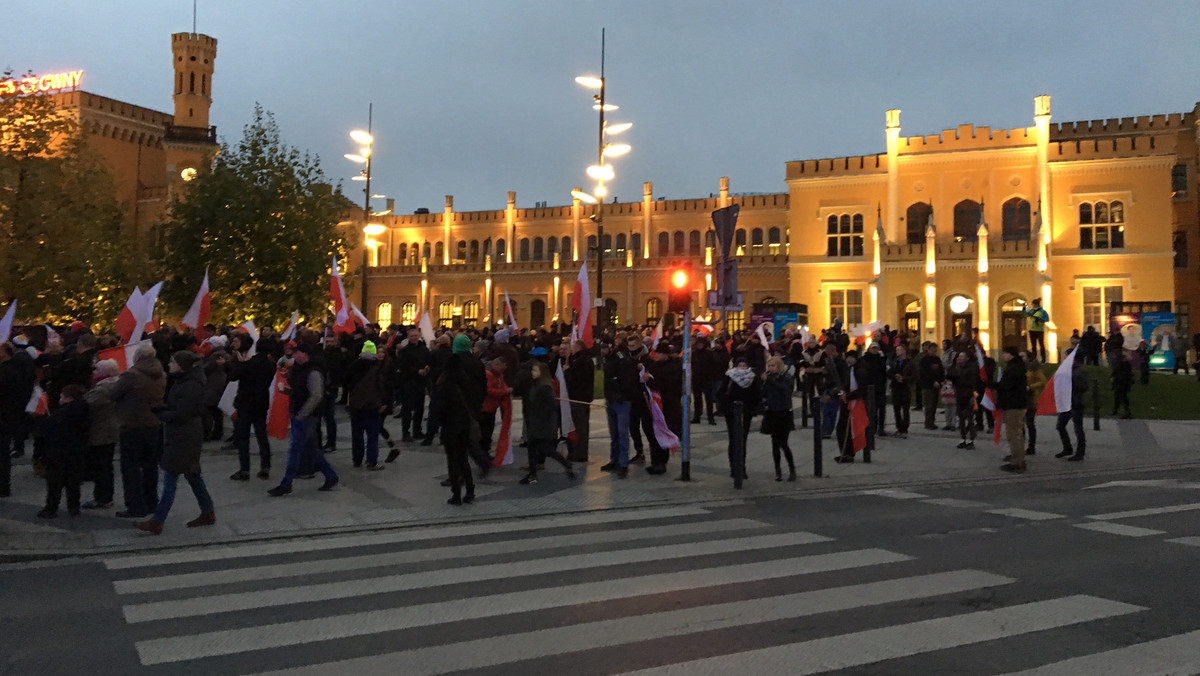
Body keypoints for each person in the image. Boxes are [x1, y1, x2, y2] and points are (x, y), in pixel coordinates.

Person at [137, 351, 216, 534]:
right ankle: (208, 511)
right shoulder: (184, 381)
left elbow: (182, 413)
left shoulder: (191, 385)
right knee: (192, 475)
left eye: (172, 361)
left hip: (185, 436)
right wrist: (161, 409)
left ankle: (158, 520)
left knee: (170, 477)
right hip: (182, 434)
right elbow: (177, 406)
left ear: (182, 365)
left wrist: (161, 415)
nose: (169, 364)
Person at [268, 342, 339, 496]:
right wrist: (288, 391)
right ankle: (331, 475)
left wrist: (303, 414)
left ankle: (286, 482)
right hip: (299, 413)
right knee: (311, 448)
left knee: (295, 448)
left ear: (304, 354)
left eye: (296, 353)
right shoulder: (301, 370)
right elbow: (301, 391)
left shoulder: (313, 371)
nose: (293, 356)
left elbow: (316, 395)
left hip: (306, 416)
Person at [110, 342, 166, 519]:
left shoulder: (131, 375)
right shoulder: (161, 373)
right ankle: (151, 501)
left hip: (132, 424)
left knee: (131, 467)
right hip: (154, 423)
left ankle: (135, 505)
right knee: (151, 466)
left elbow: (113, 393)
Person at [428, 354, 478, 505]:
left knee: (452, 459)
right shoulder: (465, 380)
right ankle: (470, 490)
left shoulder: (444, 383)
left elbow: (438, 407)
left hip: (450, 425)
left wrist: (434, 426)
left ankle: (456, 493)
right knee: (463, 458)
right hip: (464, 423)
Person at [227, 334, 276, 481]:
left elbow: (233, 376)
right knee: (262, 435)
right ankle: (265, 466)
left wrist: (239, 364)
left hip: (245, 401)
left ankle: (245, 469)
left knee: (243, 437)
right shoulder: (270, 365)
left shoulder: (249, 364)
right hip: (261, 401)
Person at [37, 384, 90, 518]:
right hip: (77, 451)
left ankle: (51, 508)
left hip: (58, 452)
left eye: (61, 396)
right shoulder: (84, 410)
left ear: (68, 398)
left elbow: (47, 432)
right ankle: (74, 506)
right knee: (73, 482)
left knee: (55, 482)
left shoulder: (60, 415)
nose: (59, 398)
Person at [518, 361, 575, 484]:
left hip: (542, 425)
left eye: (535, 371)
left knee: (545, 449)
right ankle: (532, 473)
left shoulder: (545, 387)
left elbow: (550, 406)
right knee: (533, 448)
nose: (532, 373)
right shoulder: (536, 385)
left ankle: (565, 464)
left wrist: (538, 417)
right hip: (536, 422)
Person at [81, 359, 121, 510]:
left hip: (101, 432)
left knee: (101, 467)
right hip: (110, 429)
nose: (93, 373)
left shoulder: (102, 389)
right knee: (106, 465)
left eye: (96, 370)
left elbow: (86, 405)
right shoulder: (116, 384)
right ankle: (105, 497)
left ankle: (102, 498)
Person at [345, 340, 387, 470]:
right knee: (372, 435)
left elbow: (347, 383)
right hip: (371, 405)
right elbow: (380, 387)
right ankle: (371, 461)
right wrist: (384, 402)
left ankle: (357, 459)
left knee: (357, 434)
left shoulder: (354, 366)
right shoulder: (376, 367)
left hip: (356, 405)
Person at [602, 336, 640, 479]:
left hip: (621, 401)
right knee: (614, 433)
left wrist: (621, 395)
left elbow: (628, 380)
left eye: (605, 348)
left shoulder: (621, 359)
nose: (603, 351)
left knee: (622, 433)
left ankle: (623, 463)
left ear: (611, 347)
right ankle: (615, 460)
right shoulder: (610, 358)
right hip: (612, 400)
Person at [719, 357, 761, 479]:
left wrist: (752, 408)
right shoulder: (729, 376)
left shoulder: (752, 378)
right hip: (732, 414)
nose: (742, 367)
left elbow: (757, 395)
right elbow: (721, 393)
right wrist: (727, 408)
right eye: (740, 365)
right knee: (733, 439)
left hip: (746, 413)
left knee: (742, 440)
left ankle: (741, 467)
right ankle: (734, 467)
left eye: (744, 365)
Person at [760, 356, 796, 481]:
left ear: (779, 366)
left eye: (773, 366)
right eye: (769, 366)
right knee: (774, 444)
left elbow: (784, 389)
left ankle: (792, 469)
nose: (770, 368)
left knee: (784, 443)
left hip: (783, 412)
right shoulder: (769, 379)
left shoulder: (785, 377)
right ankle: (778, 470)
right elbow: (764, 393)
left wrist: (769, 380)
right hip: (772, 412)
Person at [995, 347, 1029, 472]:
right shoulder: (1018, 367)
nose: (1003, 356)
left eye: (1004, 353)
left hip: (1013, 405)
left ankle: (1017, 462)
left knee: (1013, 435)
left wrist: (991, 385)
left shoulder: (1013, 369)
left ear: (1010, 355)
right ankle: (1020, 459)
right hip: (1018, 404)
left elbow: (1006, 385)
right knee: (1018, 434)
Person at [1054, 352, 1089, 462]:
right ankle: (1067, 448)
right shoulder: (1068, 369)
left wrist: (1070, 381)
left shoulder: (1080, 371)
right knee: (1060, 426)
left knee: (1078, 428)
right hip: (1067, 402)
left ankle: (1080, 453)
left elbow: (1083, 386)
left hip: (1075, 402)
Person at [562, 340, 594, 461]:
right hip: (579, 397)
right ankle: (577, 452)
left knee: (580, 426)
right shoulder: (581, 360)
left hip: (579, 398)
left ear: (579, 347)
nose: (571, 349)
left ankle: (580, 453)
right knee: (579, 426)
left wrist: (568, 371)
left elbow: (579, 379)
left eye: (573, 347)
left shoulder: (582, 361)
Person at [396, 328, 430, 441]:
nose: (414, 338)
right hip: (409, 382)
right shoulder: (405, 351)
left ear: (419, 335)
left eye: (416, 335)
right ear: (408, 337)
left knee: (419, 408)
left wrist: (427, 368)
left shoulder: (424, 349)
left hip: (421, 382)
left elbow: (429, 361)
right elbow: (403, 366)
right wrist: (416, 371)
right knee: (408, 408)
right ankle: (406, 432)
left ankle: (417, 430)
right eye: (412, 336)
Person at [948, 351, 979, 449]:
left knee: (970, 418)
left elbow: (970, 381)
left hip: (969, 396)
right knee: (961, 418)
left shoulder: (971, 368)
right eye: (958, 357)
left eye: (962, 357)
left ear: (967, 358)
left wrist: (973, 396)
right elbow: (950, 375)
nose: (959, 359)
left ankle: (971, 439)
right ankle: (963, 438)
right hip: (960, 395)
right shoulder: (956, 367)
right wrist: (956, 368)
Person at [888, 344, 916, 438]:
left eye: (899, 350)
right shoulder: (894, 362)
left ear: (904, 351)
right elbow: (889, 373)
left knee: (905, 409)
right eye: (896, 350)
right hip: (896, 387)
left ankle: (904, 428)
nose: (897, 352)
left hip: (905, 388)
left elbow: (914, 376)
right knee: (896, 409)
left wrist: (904, 378)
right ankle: (899, 427)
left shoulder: (910, 363)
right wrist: (895, 377)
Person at [917, 342, 945, 431]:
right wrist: (932, 381)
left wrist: (941, 381)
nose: (934, 352)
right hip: (927, 386)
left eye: (935, 350)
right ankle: (928, 423)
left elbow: (941, 371)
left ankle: (933, 422)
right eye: (932, 350)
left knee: (934, 405)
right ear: (928, 350)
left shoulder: (937, 359)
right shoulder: (924, 360)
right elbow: (924, 373)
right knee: (929, 405)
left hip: (937, 385)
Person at [1024, 354, 1046, 456]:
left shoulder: (1034, 368)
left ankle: (1031, 446)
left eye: (1023, 356)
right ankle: (1021, 445)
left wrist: (1030, 387)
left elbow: (1043, 381)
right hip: (1022, 398)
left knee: (1030, 423)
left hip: (1031, 399)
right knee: (1021, 423)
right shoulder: (1021, 367)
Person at [1023, 298, 1050, 363]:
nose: (1032, 306)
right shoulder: (1032, 311)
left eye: (1033, 304)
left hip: (1039, 330)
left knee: (1039, 345)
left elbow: (1047, 319)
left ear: (1034, 304)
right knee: (1035, 345)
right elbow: (1025, 314)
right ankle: (1035, 359)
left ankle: (1042, 359)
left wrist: (1039, 318)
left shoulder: (1042, 311)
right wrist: (1025, 308)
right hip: (1033, 330)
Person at [1111, 348, 1133, 418]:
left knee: (1121, 397)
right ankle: (1119, 410)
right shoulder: (1124, 364)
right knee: (1120, 397)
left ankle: (1125, 411)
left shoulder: (1122, 364)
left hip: (1121, 382)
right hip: (1122, 382)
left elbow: (1117, 373)